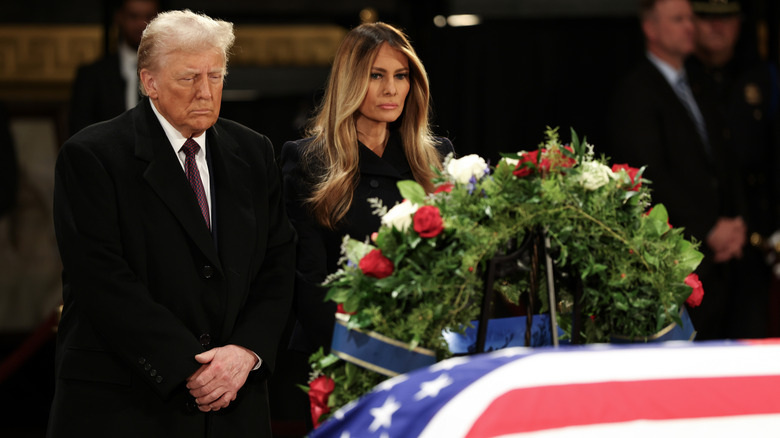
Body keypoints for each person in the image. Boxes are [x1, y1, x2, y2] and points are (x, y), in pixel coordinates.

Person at [48, 10, 295, 437]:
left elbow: (278, 262)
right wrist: (190, 367)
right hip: (127, 406)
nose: (205, 92)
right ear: (150, 83)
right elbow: (104, 282)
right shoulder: (92, 156)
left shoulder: (254, 152)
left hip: (233, 403)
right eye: (188, 78)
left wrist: (245, 352)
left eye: (215, 76)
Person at [278, 22, 454, 430]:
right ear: (351, 80)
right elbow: (308, 283)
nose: (391, 89)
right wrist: (376, 359)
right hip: (339, 361)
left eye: (401, 76)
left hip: (424, 361)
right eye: (377, 76)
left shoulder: (437, 158)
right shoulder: (308, 160)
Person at [607, 0, 746, 340]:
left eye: (691, 18)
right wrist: (709, 228)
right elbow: (650, 176)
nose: (690, 26)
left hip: (726, 261)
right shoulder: (636, 90)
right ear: (651, 28)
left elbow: (724, 161)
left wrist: (736, 221)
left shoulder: (699, 83)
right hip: (682, 258)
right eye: (679, 19)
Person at [686, 0, 778, 338]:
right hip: (696, 242)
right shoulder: (680, 77)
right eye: (706, 17)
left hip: (756, 239)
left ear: (740, 22)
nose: (716, 27)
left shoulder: (762, 77)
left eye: (724, 18)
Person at [69, 0, 160, 136]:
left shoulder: (170, 71)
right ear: (119, 17)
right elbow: (80, 133)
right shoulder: (91, 75)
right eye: (134, 16)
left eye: (149, 17)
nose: (142, 24)